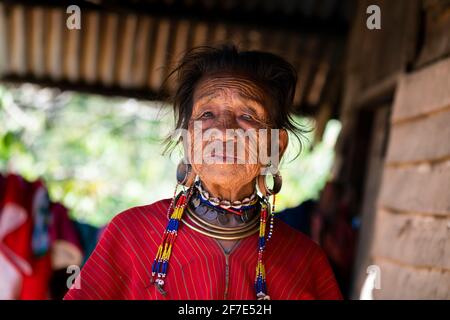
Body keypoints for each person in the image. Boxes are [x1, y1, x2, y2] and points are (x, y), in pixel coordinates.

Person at [64, 44, 342, 300]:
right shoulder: (131, 235)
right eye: (207, 114)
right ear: (187, 140)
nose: (224, 131)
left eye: (248, 116)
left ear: (276, 146)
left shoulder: (305, 262)